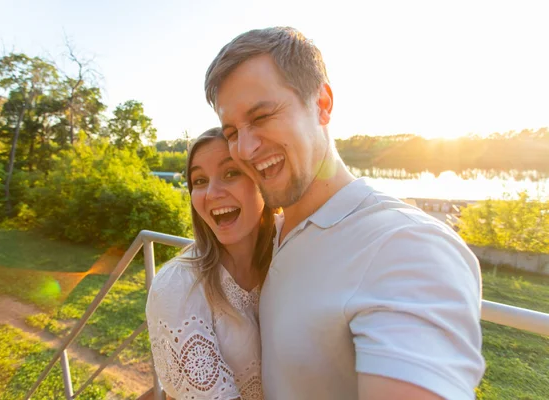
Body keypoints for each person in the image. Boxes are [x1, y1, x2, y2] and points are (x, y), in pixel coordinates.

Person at [204, 27, 485, 400]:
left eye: (262, 116)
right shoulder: (276, 232)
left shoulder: (405, 247)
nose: (246, 147)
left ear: (322, 103)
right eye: (232, 131)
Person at [146, 127, 276, 400]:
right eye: (200, 180)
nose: (212, 193)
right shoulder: (180, 286)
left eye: (231, 173)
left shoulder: (290, 251)